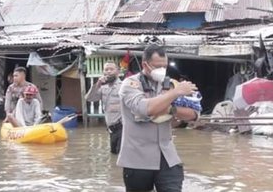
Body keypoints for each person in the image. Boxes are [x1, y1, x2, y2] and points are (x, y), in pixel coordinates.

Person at [118, 44, 199, 192]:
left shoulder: (172, 84)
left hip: (167, 156)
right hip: (137, 159)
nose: (162, 70)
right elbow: (146, 109)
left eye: (165, 66)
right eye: (157, 66)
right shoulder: (130, 85)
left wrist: (170, 109)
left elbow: (194, 114)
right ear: (145, 64)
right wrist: (174, 94)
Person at [85, 61, 122, 154]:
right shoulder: (103, 87)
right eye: (106, 69)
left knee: (120, 155)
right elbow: (89, 98)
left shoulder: (123, 86)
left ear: (118, 71)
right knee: (113, 154)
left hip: (123, 126)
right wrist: (97, 84)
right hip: (111, 127)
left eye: (111, 69)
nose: (109, 71)